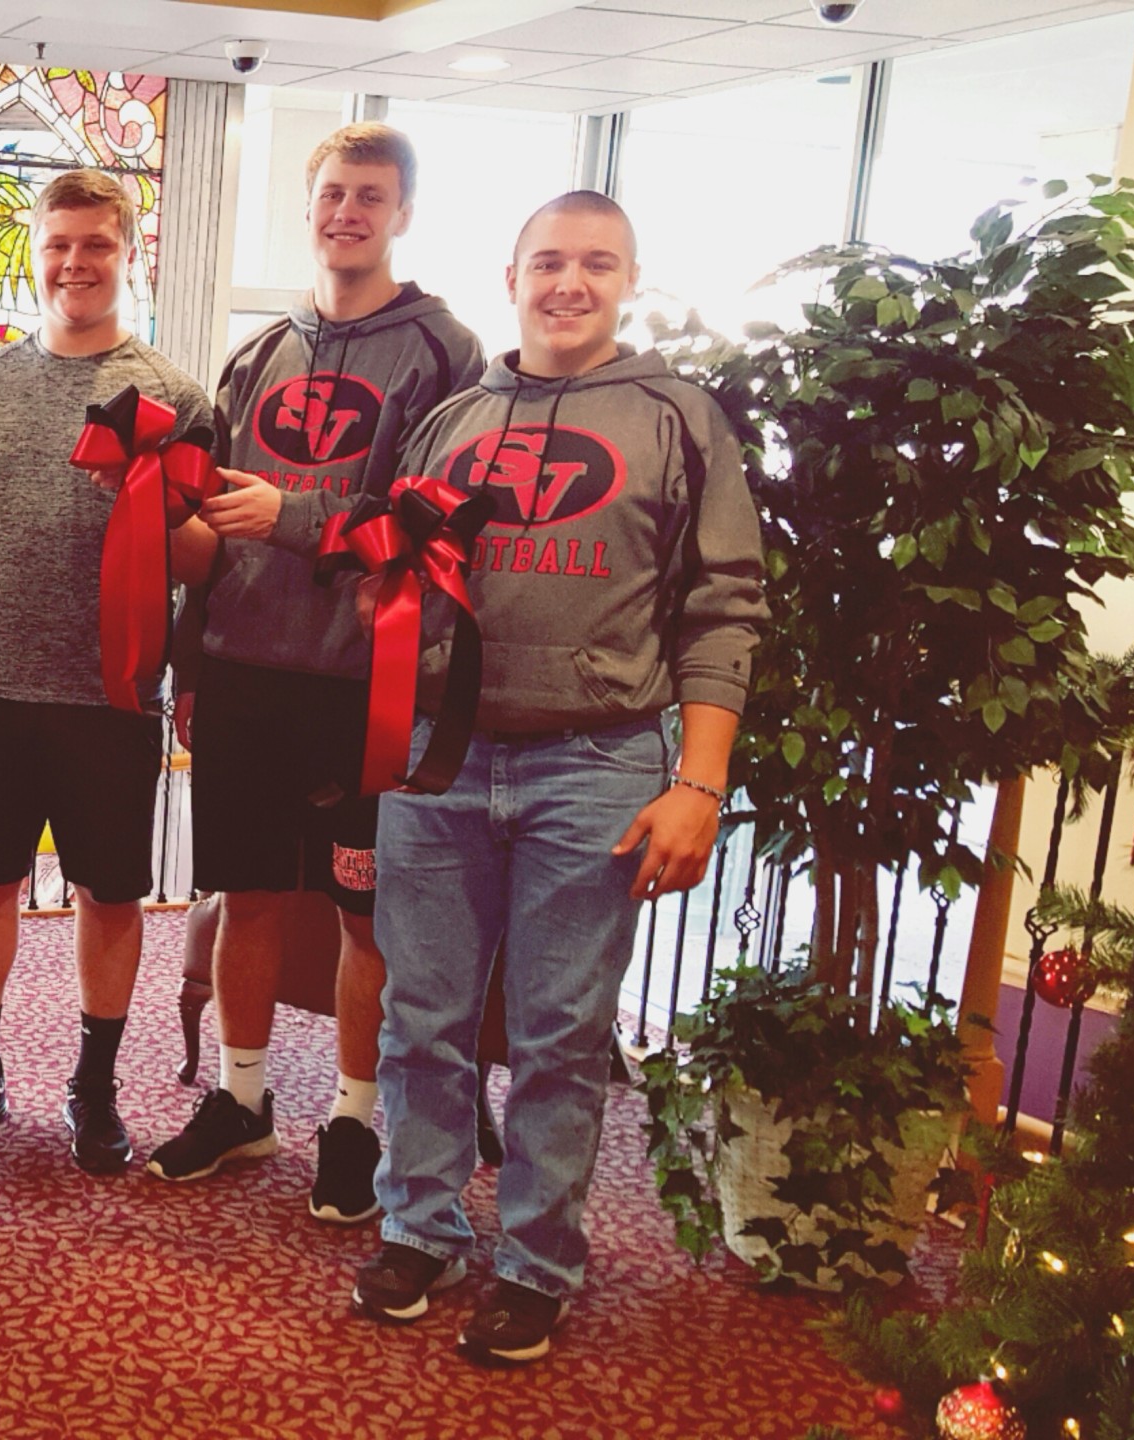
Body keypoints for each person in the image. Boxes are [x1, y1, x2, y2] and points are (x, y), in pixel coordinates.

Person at [349, 190, 766, 1366]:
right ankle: (417, 1228)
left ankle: (536, 1262)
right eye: (547, 263)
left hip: (597, 762)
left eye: (594, 264)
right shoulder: (452, 415)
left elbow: (725, 609)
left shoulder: (678, 419)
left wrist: (698, 782)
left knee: (558, 1033)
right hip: (438, 761)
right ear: (510, 275)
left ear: (629, 277)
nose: (567, 284)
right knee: (420, 1020)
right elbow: (386, 571)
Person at [152, 125, 483, 1227]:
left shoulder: (444, 352)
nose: (348, 211)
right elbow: (207, 526)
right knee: (244, 893)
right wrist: (187, 657)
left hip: (363, 682)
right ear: (309, 208)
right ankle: (243, 1102)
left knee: (363, 914)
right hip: (245, 672)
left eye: (370, 195)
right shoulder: (256, 355)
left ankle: (352, 1119)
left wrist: (293, 517)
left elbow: (436, 523)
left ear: (401, 212)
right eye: (333, 193)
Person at [0, 169, 210, 1174]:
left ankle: (94, 1087)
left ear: (129, 253)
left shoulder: (171, 394)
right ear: (36, 254)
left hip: (112, 692)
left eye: (97, 244)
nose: (75, 263)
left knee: (110, 896)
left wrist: (156, 504)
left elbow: (210, 555)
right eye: (59, 244)